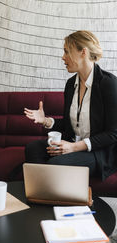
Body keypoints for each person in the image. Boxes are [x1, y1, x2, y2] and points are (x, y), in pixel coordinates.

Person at [24, 30, 117, 181]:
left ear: (83, 52)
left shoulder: (108, 83)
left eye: (67, 51)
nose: (63, 57)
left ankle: (49, 194)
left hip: (97, 151)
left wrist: (73, 147)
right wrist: (46, 121)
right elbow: (70, 125)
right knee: (33, 149)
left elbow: (113, 133)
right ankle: (42, 195)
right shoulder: (70, 84)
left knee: (55, 164)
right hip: (72, 143)